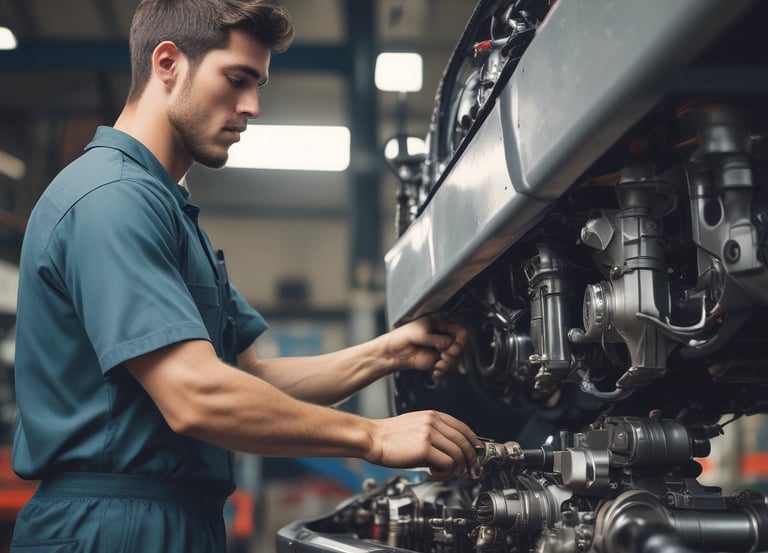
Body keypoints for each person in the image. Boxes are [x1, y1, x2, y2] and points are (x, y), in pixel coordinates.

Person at [10, 0, 479, 551]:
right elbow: (197, 396)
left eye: (258, 85)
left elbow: (247, 380)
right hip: (110, 526)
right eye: (237, 79)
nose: (252, 106)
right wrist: (372, 436)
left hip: (174, 518)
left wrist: (390, 353)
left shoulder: (168, 211)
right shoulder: (112, 199)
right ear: (168, 63)